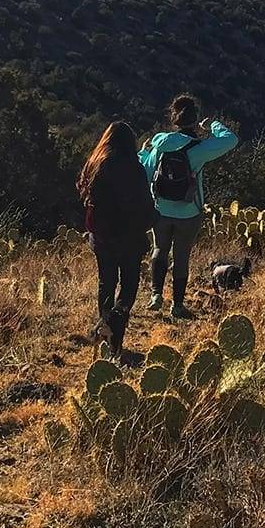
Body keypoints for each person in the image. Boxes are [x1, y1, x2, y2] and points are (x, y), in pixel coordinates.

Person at [140, 94, 239, 319]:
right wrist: (212, 125)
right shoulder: (199, 148)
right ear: (194, 120)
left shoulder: (160, 145)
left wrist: (145, 151)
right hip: (189, 211)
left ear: (174, 119)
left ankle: (156, 296)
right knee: (181, 256)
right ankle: (177, 305)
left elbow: (145, 171)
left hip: (160, 210)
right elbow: (230, 140)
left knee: (159, 250)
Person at [77, 120, 155, 361]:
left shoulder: (95, 164)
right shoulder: (134, 168)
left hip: (101, 237)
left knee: (106, 282)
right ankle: (114, 326)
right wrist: (153, 220)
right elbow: (144, 204)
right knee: (129, 284)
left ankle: (106, 331)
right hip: (130, 237)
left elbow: (82, 191)